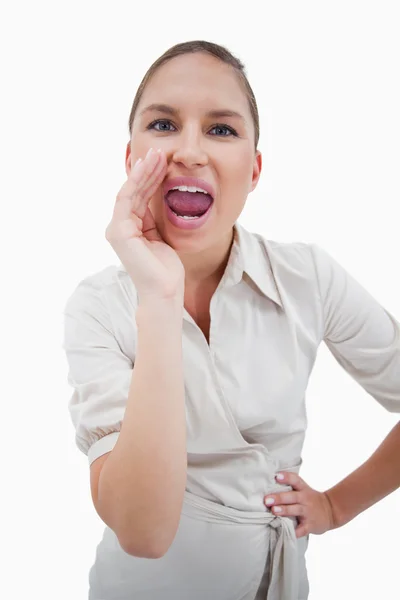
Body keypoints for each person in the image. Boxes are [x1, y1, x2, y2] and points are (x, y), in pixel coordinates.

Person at [62, 40, 400, 600]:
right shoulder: (98, 307)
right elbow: (144, 533)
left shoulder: (308, 278)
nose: (189, 151)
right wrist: (159, 299)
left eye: (221, 130)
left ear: (255, 169)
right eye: (164, 124)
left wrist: (337, 506)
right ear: (129, 160)